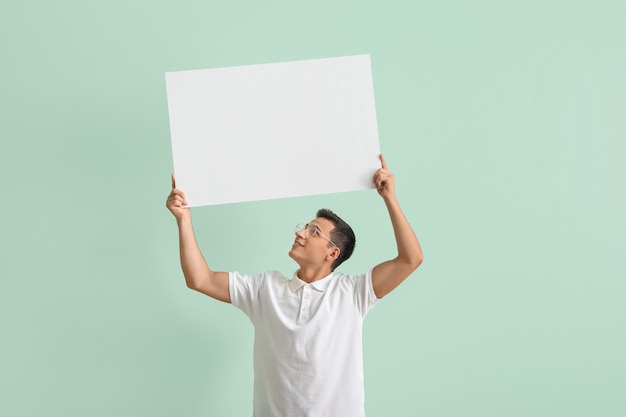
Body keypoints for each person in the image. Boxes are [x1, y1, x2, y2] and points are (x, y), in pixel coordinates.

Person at [166, 154, 423, 417]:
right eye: (305, 227)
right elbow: (200, 279)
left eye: (313, 232)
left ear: (332, 253)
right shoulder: (264, 289)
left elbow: (411, 259)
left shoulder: (353, 294)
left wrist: (390, 198)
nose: (300, 233)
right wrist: (183, 219)